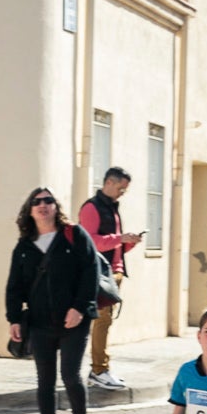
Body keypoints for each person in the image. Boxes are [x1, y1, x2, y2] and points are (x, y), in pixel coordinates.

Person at [4, 186, 99, 414]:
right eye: (37, 202)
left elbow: (90, 272)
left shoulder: (73, 235)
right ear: (30, 210)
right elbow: (15, 286)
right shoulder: (24, 247)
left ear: (56, 207)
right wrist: (14, 318)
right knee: (44, 380)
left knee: (70, 375)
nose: (43, 205)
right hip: (40, 322)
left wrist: (80, 308)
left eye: (48, 200)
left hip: (74, 321)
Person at [80, 167, 141, 390]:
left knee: (104, 322)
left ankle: (99, 370)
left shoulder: (112, 208)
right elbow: (91, 242)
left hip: (114, 272)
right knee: (102, 321)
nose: (123, 192)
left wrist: (128, 242)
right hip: (99, 274)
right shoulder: (91, 208)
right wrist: (119, 238)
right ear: (108, 183)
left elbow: (114, 245)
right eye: (121, 187)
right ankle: (99, 370)